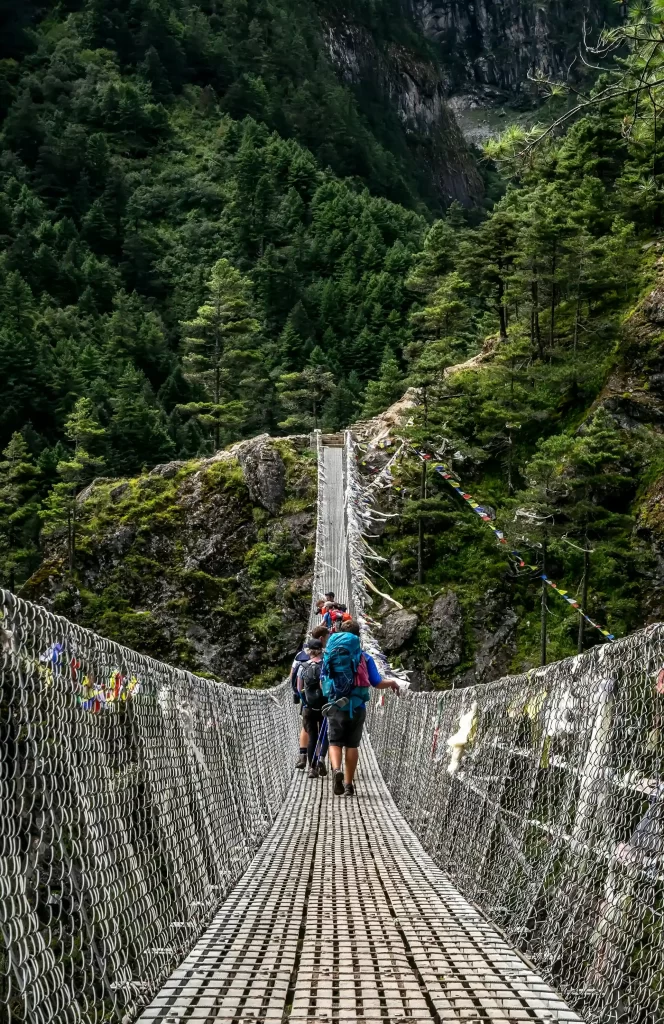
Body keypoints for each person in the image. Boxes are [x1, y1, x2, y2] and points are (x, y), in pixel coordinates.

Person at [323, 619, 399, 797]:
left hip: (336, 705)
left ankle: (336, 770)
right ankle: (349, 785)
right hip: (357, 707)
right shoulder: (365, 657)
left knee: (334, 742)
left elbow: (324, 679)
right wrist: (393, 682)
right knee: (352, 745)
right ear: (358, 636)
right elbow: (377, 682)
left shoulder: (330, 653)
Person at [292, 625, 329, 768]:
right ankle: (321, 758)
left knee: (308, 730)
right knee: (323, 731)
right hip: (324, 703)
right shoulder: (326, 661)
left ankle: (304, 758)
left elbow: (296, 682)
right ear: (321, 641)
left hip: (308, 702)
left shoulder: (300, 658)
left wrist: (299, 696)